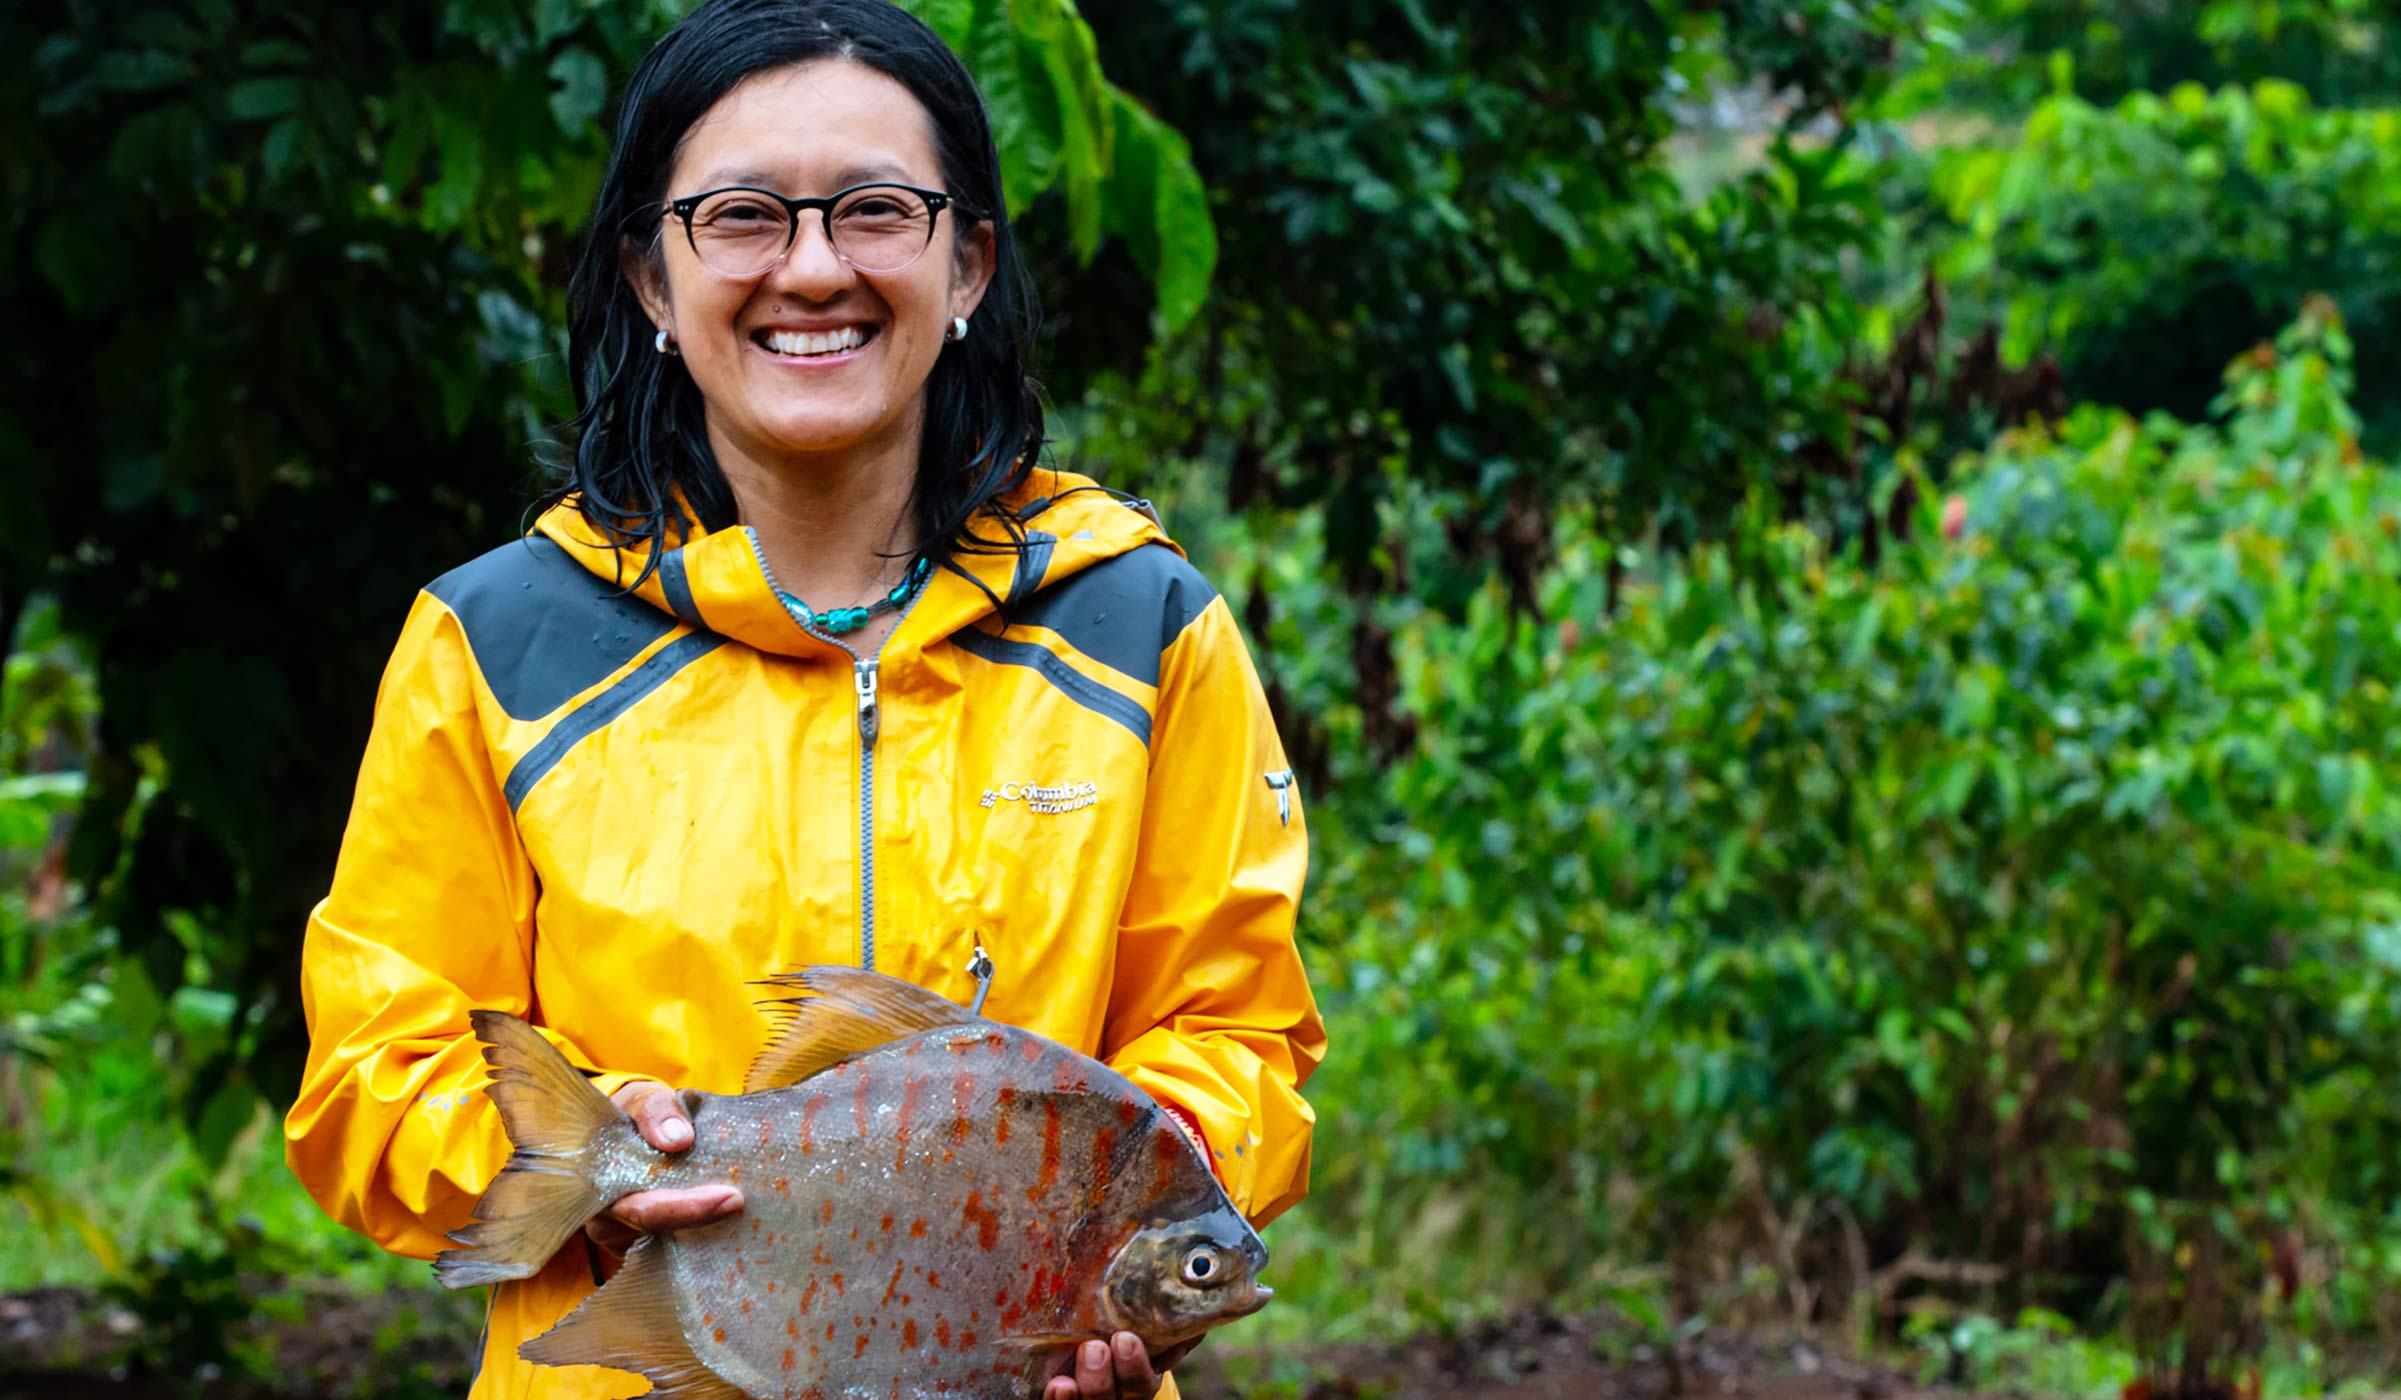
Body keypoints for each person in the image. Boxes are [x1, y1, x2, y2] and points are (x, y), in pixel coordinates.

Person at [279, 3, 1325, 1397]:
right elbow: (368, 1076)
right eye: (744, 217)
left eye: (878, 211)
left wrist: (1111, 1240)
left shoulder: (1140, 624)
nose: (815, 267)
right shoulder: (493, 642)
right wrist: (590, 1150)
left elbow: (1236, 1035)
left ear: (969, 266)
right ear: (654, 278)